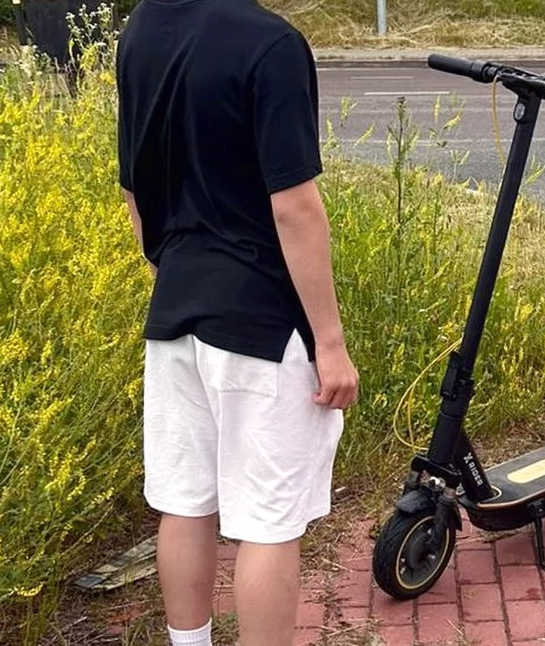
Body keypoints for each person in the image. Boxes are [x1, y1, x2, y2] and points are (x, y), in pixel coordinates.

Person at [115, 0, 359, 644]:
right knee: (268, 524)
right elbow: (295, 208)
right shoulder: (272, 44)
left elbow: (136, 192)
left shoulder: (141, 27)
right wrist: (330, 345)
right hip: (261, 322)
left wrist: (172, 272)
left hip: (175, 308)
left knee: (185, 504)